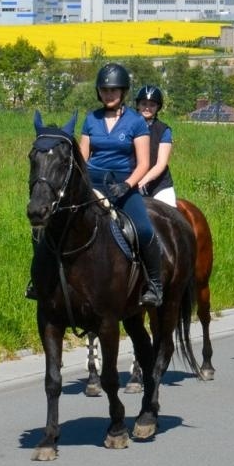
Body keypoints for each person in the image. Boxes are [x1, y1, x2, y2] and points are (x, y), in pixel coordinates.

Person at [80, 63, 163, 305]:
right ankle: (42, 281)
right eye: (104, 90)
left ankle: (155, 285)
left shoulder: (135, 122)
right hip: (92, 184)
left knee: (144, 229)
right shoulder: (90, 119)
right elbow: (83, 157)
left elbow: (144, 163)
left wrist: (127, 185)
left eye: (114, 90)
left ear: (123, 92)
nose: (109, 94)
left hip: (123, 185)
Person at [134, 84, 177, 206]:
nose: (147, 108)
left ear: (158, 107)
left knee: (171, 213)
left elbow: (161, 164)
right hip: (132, 182)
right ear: (138, 105)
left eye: (152, 105)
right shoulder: (128, 128)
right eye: (144, 104)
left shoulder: (164, 130)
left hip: (159, 186)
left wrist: (143, 181)